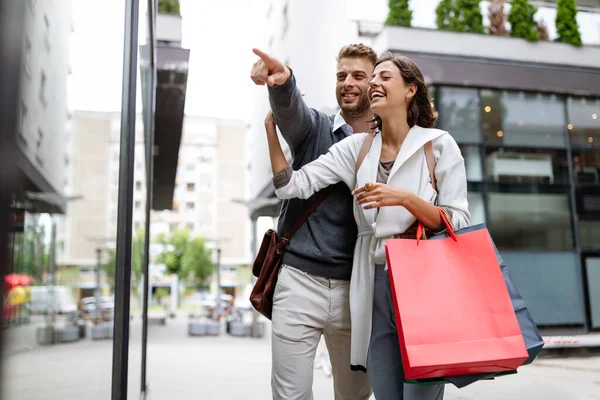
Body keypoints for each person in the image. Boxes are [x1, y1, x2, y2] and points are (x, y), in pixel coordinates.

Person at [265, 53, 471, 400]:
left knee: (422, 391)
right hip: (370, 282)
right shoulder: (357, 149)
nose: (374, 83)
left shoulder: (439, 145)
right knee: (385, 391)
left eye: (384, 77)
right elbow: (292, 186)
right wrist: (271, 128)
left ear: (410, 90)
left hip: (422, 278)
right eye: (372, 78)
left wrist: (405, 199)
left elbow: (459, 220)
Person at [251, 44, 375, 400]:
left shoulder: (388, 144)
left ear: (375, 83)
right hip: (299, 283)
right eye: (341, 76)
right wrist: (282, 81)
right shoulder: (315, 128)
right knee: (290, 395)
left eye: (357, 76)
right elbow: (290, 111)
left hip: (358, 289)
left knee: (354, 396)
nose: (347, 83)